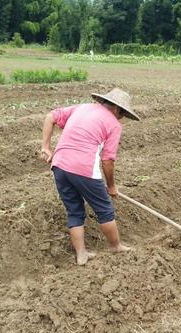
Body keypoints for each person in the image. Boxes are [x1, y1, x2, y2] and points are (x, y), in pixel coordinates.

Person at [40, 88, 141, 265]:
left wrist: (46, 148)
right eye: (123, 113)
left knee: (74, 210)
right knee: (104, 209)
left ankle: (81, 254)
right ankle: (116, 246)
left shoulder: (82, 107)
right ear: (117, 109)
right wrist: (111, 186)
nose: (121, 117)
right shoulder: (114, 124)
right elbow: (108, 160)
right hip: (84, 167)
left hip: (59, 164)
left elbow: (51, 117)